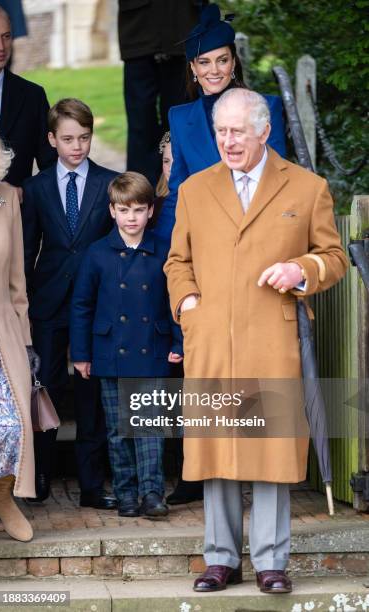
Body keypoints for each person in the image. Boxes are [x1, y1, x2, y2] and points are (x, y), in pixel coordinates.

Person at [164, 88, 348, 594]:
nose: (227, 141)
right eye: (221, 132)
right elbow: (177, 262)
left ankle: (271, 562)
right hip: (212, 341)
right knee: (218, 451)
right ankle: (221, 559)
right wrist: (188, 306)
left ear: (264, 131)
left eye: (237, 131)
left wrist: (301, 268)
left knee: (268, 450)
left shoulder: (307, 187)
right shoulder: (194, 190)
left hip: (272, 337)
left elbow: (334, 257)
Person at [21, 98, 118, 509]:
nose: (77, 147)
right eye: (67, 139)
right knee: (43, 387)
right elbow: (26, 253)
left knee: (90, 392)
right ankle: (39, 477)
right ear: (51, 140)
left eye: (84, 137)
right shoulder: (36, 187)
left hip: (95, 303)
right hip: (47, 302)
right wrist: (21, 307)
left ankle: (92, 486)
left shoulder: (109, 182)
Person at [70, 172, 183, 518]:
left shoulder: (164, 250)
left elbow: (175, 299)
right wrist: (81, 354)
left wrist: (178, 341)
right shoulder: (97, 253)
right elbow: (81, 305)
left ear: (151, 211)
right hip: (109, 352)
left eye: (138, 210)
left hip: (152, 348)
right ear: (112, 211)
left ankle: (152, 494)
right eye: (124, 210)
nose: (131, 217)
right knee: (119, 431)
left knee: (150, 428)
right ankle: (126, 494)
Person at [154, 3, 287, 242]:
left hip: (258, 236)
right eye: (204, 62)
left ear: (233, 63)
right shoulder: (180, 118)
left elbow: (278, 178)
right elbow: (178, 192)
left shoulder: (268, 107)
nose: (213, 70)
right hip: (204, 239)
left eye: (222, 60)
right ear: (193, 67)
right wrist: (154, 250)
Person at [0, 118, 39, 541]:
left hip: (2, 330)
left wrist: (26, 342)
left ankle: (3, 496)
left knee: (12, 422)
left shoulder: (7, 198)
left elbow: (17, 283)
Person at [118, 0, 208, 187]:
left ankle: (187, 194)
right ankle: (138, 201)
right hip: (138, 31)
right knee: (140, 126)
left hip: (184, 29)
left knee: (183, 124)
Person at [0, 4, 56, 191]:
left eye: (6, 37)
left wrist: (26, 192)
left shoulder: (33, 96)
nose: (1, 46)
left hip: (19, 215)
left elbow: (52, 166)